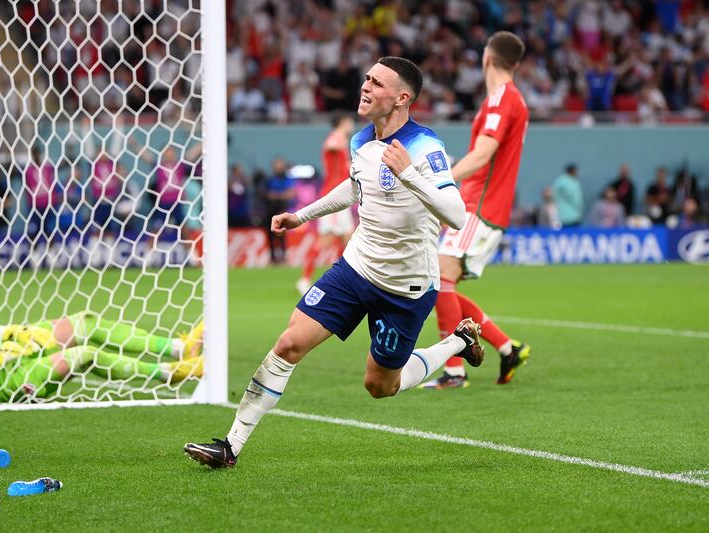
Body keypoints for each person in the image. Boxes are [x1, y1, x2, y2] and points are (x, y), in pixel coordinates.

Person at [184, 56, 483, 469]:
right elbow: (356, 187)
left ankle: (457, 342)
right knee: (289, 342)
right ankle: (230, 445)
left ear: (402, 98)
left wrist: (410, 174)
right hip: (356, 268)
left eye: (377, 83)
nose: (365, 86)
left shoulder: (425, 146)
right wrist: (301, 215)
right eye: (366, 78)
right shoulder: (361, 141)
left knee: (380, 386)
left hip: (407, 286)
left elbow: (456, 213)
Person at [429, 31, 531, 390]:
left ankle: (454, 370)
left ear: (487, 57)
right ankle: (506, 347)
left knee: (439, 278)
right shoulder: (502, 99)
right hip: (477, 205)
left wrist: (439, 181)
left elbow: (483, 154)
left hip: (481, 207)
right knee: (440, 283)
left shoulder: (503, 99)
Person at [0, 313, 204, 408]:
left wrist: (11, 332)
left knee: (82, 323)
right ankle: (169, 372)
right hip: (0, 382)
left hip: (7, 351)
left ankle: (178, 347)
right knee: (83, 355)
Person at [296, 113, 356, 294]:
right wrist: (337, 143)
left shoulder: (343, 142)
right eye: (349, 122)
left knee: (348, 239)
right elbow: (330, 146)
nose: (351, 125)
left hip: (342, 196)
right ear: (344, 122)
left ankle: (342, 279)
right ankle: (305, 278)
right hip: (333, 197)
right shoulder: (336, 138)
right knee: (326, 240)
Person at [263, 158, 296, 264]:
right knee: (270, 235)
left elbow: (290, 194)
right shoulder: (270, 179)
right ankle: (272, 258)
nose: (278, 167)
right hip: (270, 211)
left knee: (282, 234)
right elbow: (265, 194)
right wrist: (280, 195)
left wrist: (276, 195)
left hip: (282, 210)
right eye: (276, 165)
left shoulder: (286, 179)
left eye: (280, 165)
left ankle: (283, 258)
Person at [552, 163, 584, 228]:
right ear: (572, 171)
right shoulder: (568, 182)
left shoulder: (559, 181)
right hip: (570, 216)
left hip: (563, 215)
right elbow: (576, 199)